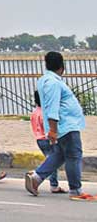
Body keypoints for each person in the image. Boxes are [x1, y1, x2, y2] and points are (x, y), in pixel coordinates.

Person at [25, 52, 93, 200]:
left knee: (59, 155)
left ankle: (36, 178)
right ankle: (75, 190)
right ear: (62, 67)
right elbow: (53, 106)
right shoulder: (53, 82)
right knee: (73, 155)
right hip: (65, 125)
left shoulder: (46, 80)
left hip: (63, 125)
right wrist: (53, 129)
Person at [31, 90, 67, 194]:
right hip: (47, 139)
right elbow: (48, 127)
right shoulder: (45, 113)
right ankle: (52, 184)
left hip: (39, 139)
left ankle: (48, 181)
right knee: (53, 162)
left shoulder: (35, 112)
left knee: (50, 160)